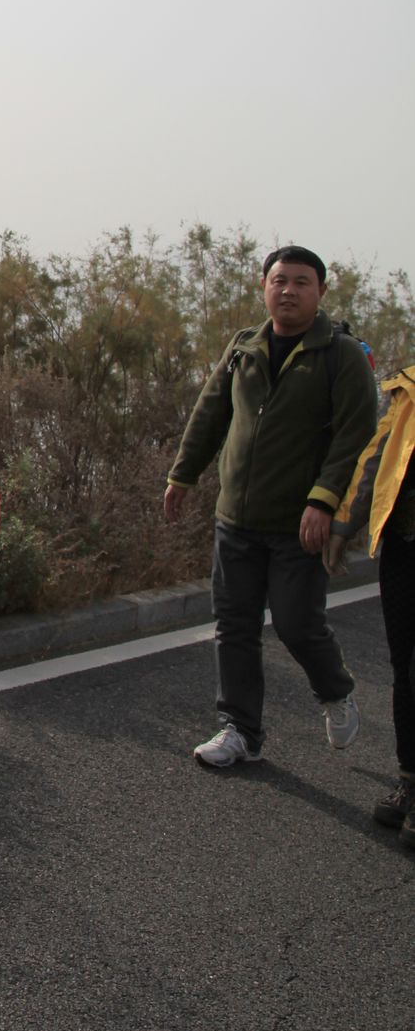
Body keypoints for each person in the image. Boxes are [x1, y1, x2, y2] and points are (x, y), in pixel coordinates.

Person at [163, 245, 378, 769]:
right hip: (235, 517)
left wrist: (324, 502)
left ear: (321, 292)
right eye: (279, 280)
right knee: (233, 624)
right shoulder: (244, 348)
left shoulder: (341, 356)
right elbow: (210, 413)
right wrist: (182, 474)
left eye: (302, 282)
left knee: (295, 623)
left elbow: (356, 436)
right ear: (264, 287)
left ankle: (335, 691)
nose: (288, 290)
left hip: (298, 523)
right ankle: (241, 730)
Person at [326, 362, 415, 841]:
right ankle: (408, 782)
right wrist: (343, 526)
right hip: (403, 549)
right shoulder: (406, 390)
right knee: (404, 670)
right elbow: (374, 462)